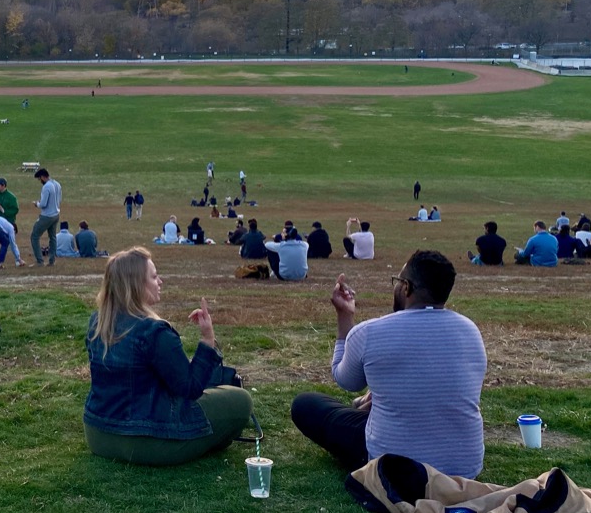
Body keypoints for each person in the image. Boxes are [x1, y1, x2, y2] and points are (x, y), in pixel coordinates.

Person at [291, 251, 486, 478]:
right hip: (465, 467)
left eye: (397, 281)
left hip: (394, 467)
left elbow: (345, 379)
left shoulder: (370, 332)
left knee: (305, 404)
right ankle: (370, 405)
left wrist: (344, 316)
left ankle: (368, 409)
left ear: (406, 288)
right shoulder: (471, 331)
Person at [83, 247, 253, 466]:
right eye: (153, 277)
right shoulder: (155, 332)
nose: (160, 281)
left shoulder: (97, 323)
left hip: (99, 435)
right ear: (136, 285)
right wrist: (208, 340)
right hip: (148, 441)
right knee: (240, 400)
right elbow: (190, 389)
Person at [30, 168, 61, 266]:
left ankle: (40, 261)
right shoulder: (57, 184)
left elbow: (43, 204)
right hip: (56, 214)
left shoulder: (46, 187)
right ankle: (52, 260)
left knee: (34, 236)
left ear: (43, 177)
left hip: (47, 216)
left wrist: (37, 203)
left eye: (40, 179)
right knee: (52, 237)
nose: (40, 181)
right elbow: (59, 199)